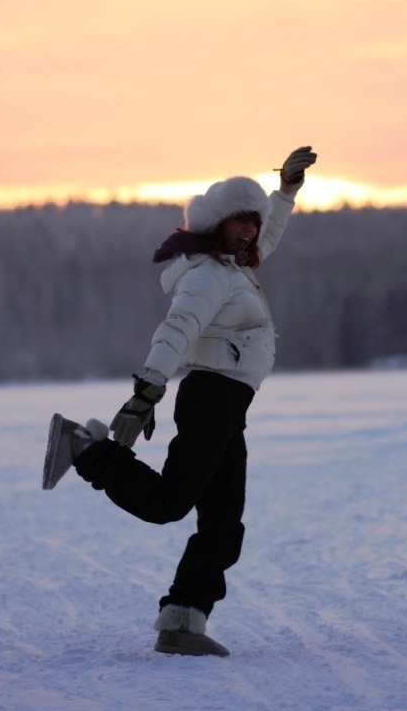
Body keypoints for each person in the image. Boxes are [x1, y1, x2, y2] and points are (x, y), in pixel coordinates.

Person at [42, 146, 317, 656]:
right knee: (169, 502)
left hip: (228, 408)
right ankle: (85, 448)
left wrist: (284, 192)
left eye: (253, 222)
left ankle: (183, 623)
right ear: (217, 224)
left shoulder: (233, 267)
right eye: (241, 221)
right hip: (210, 399)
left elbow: (269, 238)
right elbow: (178, 329)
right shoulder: (209, 275)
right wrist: (147, 390)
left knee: (223, 525)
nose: (251, 231)